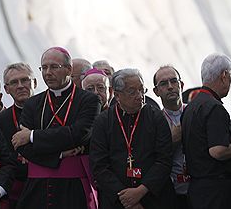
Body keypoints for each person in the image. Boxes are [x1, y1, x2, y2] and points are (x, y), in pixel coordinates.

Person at [11, 47, 101, 209]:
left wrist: (32, 136)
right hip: (36, 189)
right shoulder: (33, 103)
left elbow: (79, 134)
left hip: (74, 189)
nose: (47, 72)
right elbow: (22, 146)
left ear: (69, 69)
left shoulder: (89, 101)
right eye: (44, 68)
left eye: (54, 67)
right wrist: (59, 154)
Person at [90, 68, 175, 209]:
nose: (139, 95)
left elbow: (164, 160)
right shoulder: (103, 121)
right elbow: (99, 166)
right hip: (117, 201)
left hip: (154, 197)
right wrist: (127, 199)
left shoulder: (156, 117)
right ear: (117, 95)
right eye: (132, 91)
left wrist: (140, 191)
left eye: (142, 90)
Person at [181, 53, 231, 209]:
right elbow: (218, 151)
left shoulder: (191, 107)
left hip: (197, 191)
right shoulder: (214, 107)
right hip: (216, 193)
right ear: (224, 76)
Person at [0, 63, 37, 208]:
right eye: (14, 82)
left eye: (25, 80)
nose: (20, 86)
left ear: (34, 83)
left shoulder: (50, 111)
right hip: (16, 188)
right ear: (6, 89)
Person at [153, 65, 190, 208]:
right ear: (156, 91)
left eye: (174, 81)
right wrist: (171, 141)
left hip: (200, 190)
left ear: (181, 85)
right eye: (163, 83)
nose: (170, 86)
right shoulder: (153, 121)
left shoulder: (196, 112)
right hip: (170, 194)